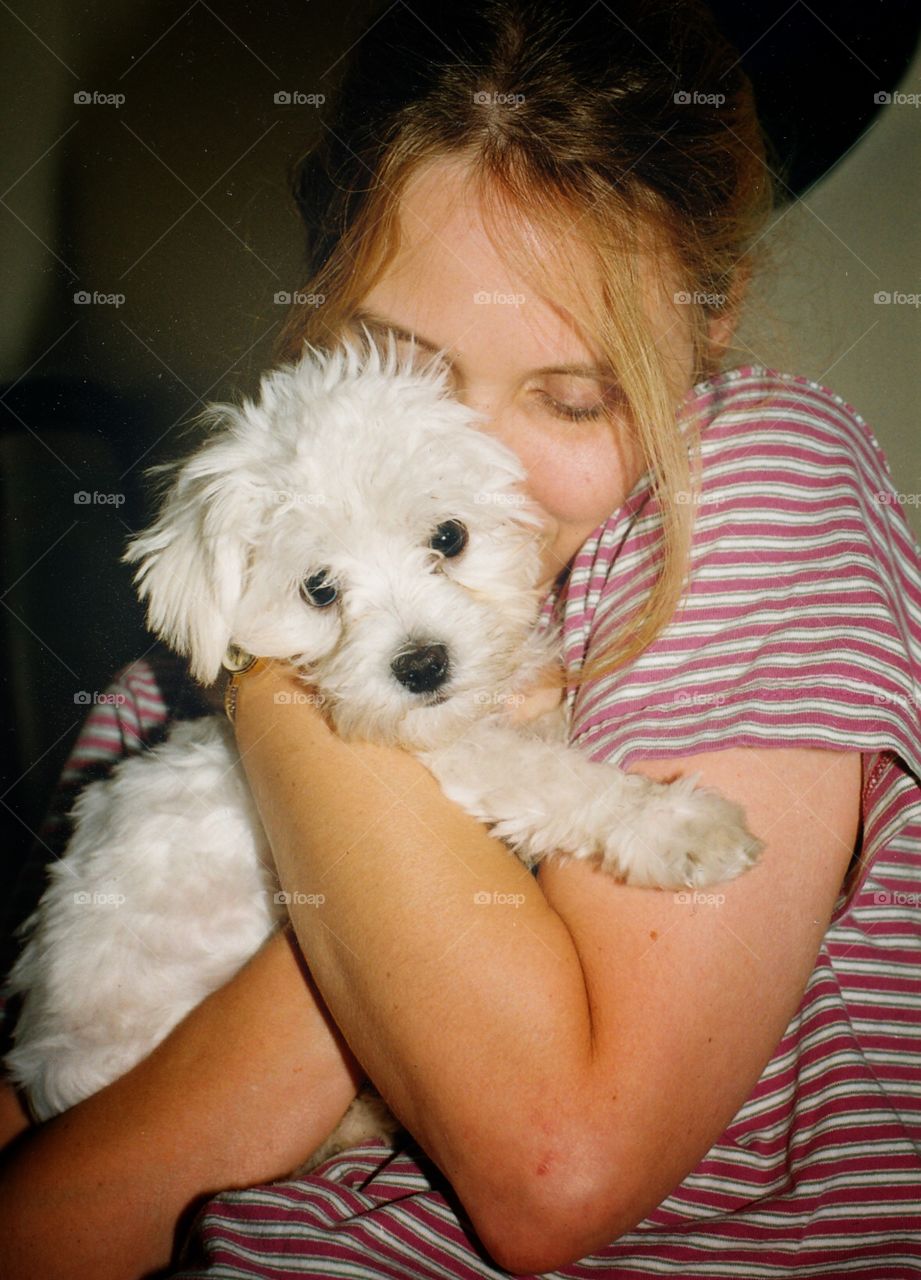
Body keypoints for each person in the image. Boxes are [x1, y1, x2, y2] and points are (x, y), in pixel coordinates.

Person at [2, 1, 920, 1276]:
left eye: (575, 396)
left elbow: (556, 1165)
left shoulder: (753, 484)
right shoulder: (169, 678)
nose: (479, 462)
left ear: (714, 318)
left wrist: (289, 712)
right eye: (405, 363)